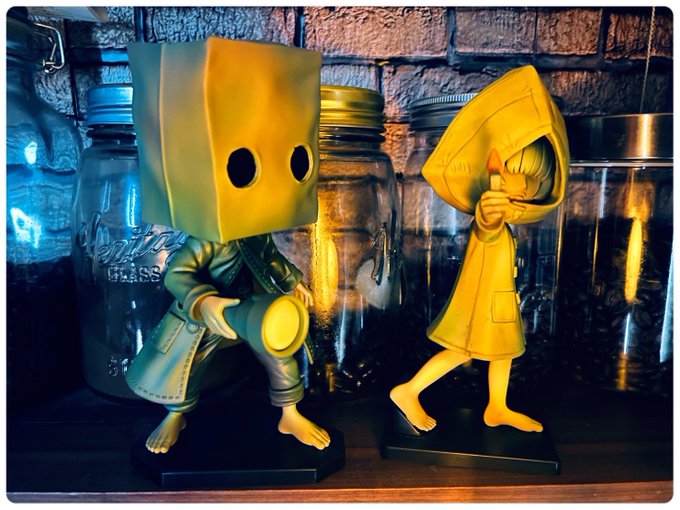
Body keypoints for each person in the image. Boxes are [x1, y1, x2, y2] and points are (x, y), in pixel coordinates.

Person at [390, 139, 556, 433]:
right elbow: (487, 222)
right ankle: (409, 390)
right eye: (515, 175)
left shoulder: (507, 226)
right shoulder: (491, 220)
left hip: (501, 300)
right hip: (482, 302)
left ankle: (497, 407)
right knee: (461, 352)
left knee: (504, 352)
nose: (524, 187)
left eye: (533, 181)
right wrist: (489, 209)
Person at [134, 234, 330, 454]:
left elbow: (271, 256)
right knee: (189, 363)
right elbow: (177, 274)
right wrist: (203, 300)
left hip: (255, 308)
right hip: (216, 313)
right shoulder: (205, 239)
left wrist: (292, 281)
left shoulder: (258, 232)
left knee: (280, 355)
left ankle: (290, 414)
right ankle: (175, 414)